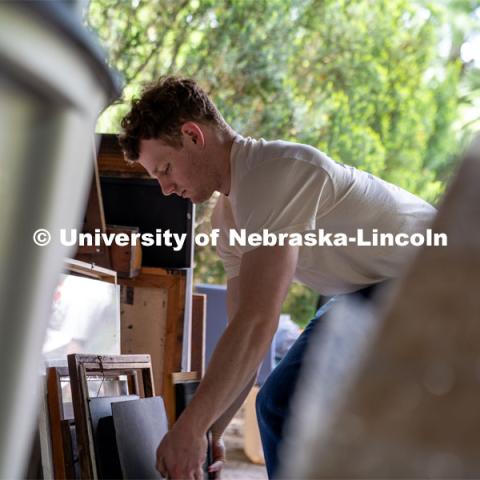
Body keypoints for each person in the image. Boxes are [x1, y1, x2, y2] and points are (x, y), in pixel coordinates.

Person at [118, 76, 436, 479]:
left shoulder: (272, 173)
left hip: (435, 276)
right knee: (282, 404)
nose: (164, 188)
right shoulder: (228, 219)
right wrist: (212, 429)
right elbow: (245, 339)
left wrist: (190, 428)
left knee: (284, 403)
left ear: (192, 135)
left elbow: (257, 321)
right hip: (368, 292)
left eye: (164, 169)